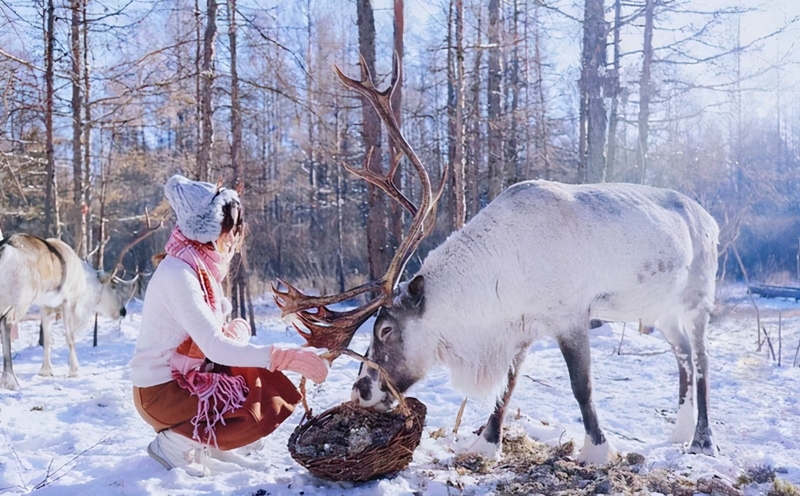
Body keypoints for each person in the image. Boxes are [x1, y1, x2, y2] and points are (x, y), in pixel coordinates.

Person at [130, 174, 328, 476]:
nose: (235, 237)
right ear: (207, 230)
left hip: (184, 379)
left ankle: (206, 442)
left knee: (256, 376)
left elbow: (210, 336)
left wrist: (234, 331)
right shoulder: (179, 274)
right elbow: (213, 346)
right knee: (253, 391)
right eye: (230, 229)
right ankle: (174, 443)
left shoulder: (199, 265)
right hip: (160, 394)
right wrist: (284, 357)